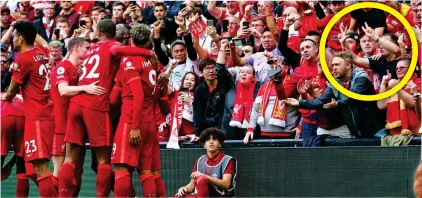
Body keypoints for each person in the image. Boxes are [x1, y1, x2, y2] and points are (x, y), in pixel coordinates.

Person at [58, 19, 154, 197]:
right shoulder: (113, 46)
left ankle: (62, 195)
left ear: (99, 32)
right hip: (96, 103)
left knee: (70, 158)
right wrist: (148, 52)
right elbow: (120, 50)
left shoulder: (88, 48)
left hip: (76, 102)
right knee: (103, 161)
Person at [2, 21, 55, 197]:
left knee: (41, 168)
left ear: (21, 38)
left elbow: (12, 90)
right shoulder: (44, 53)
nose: (13, 39)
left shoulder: (22, 59)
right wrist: (28, 27)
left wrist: (6, 96)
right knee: (33, 166)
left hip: (37, 117)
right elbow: (43, 42)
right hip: (45, 114)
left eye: (14, 36)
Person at [284, 51, 385, 138]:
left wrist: (337, 104)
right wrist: (299, 103)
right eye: (333, 65)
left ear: (348, 65)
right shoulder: (335, 81)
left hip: (375, 131)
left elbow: (352, 98)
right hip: (357, 132)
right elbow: (321, 101)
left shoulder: (361, 78)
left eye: (337, 65)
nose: (334, 68)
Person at [50, 37, 104, 195]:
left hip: (74, 127)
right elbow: (63, 90)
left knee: (76, 172)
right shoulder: (63, 67)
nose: (90, 51)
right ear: (76, 48)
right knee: (59, 173)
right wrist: (86, 88)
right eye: (87, 48)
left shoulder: (77, 70)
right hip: (61, 127)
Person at [175, 127, 237, 197]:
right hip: (200, 194)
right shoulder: (199, 160)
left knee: (201, 179)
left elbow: (226, 184)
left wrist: (203, 175)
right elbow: (192, 185)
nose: (211, 142)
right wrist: (184, 188)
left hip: (220, 195)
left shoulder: (228, 160)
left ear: (219, 144)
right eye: (208, 140)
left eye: (214, 139)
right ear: (204, 145)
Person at [193, 41, 235, 138]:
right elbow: (197, 113)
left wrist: (222, 48)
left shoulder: (224, 82)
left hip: (225, 129)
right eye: (207, 68)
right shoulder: (199, 90)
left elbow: (221, 68)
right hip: (207, 131)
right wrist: (198, 134)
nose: (211, 71)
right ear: (201, 73)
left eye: (213, 68)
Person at [377, 56, 421, 135]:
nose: (398, 70)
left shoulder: (418, 83)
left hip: (415, 134)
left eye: (402, 68)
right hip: (395, 134)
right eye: (396, 68)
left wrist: (397, 88)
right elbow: (381, 105)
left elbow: (413, 102)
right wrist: (383, 84)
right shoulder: (395, 84)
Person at [1, 93, 27, 197]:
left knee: (1, 154)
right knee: (21, 161)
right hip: (23, 117)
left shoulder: (2, 95)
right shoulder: (23, 96)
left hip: (4, 117)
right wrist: (10, 164)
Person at [167, 71, 201, 149]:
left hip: (192, 138)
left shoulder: (199, 97)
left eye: (192, 80)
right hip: (175, 138)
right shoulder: (175, 94)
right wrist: (170, 68)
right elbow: (163, 84)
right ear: (182, 81)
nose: (189, 81)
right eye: (186, 79)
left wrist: (190, 101)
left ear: (196, 83)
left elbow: (200, 117)